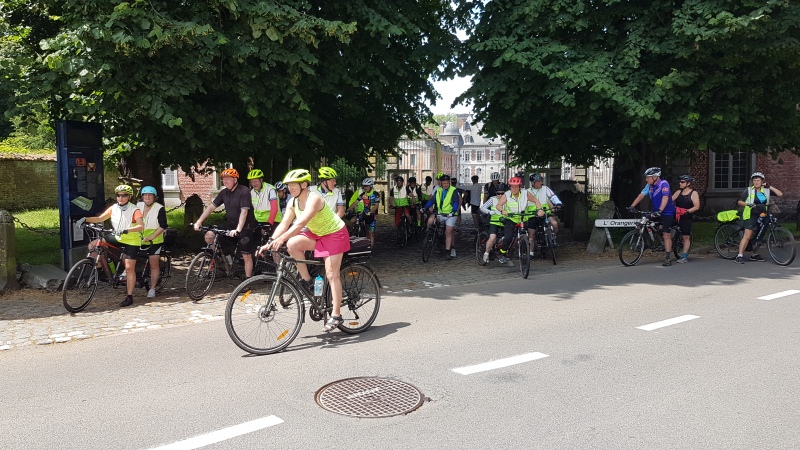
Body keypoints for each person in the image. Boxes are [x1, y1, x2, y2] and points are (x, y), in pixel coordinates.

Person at [260, 169, 350, 332]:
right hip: (317, 233)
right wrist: (271, 241)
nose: (290, 188)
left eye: (293, 185)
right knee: (292, 244)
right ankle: (308, 281)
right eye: (288, 185)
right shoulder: (292, 202)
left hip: (334, 234)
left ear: (304, 184)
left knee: (331, 274)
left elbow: (300, 224)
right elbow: (284, 223)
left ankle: (336, 315)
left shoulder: (314, 199)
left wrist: (281, 239)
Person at [76, 184, 144, 307]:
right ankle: (100, 270)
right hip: (117, 237)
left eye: (124, 195)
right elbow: (100, 218)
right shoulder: (113, 208)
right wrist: (85, 219)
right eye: (118, 195)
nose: (120, 198)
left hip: (131, 239)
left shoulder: (135, 210)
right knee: (94, 244)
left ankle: (129, 296)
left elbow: (141, 226)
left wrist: (127, 230)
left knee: (129, 268)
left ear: (129, 196)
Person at [193, 168, 257, 278]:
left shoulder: (244, 191)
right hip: (230, 225)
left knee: (246, 255)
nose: (225, 182)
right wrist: (199, 222)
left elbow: (244, 212)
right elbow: (211, 207)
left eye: (228, 179)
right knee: (209, 235)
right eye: (224, 179)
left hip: (245, 226)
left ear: (235, 180)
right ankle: (225, 257)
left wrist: (238, 230)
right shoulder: (224, 193)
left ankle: (247, 281)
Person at [629, 167, 676, 266]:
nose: (646, 179)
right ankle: (649, 241)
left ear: (655, 177)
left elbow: (665, 197)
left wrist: (660, 210)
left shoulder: (664, 184)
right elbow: (641, 195)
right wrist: (632, 206)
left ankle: (668, 258)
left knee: (666, 234)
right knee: (644, 221)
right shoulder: (649, 186)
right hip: (656, 210)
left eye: (648, 177)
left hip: (667, 211)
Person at [735, 171, 784, 264]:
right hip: (751, 214)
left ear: (762, 181)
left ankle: (754, 254)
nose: (756, 182)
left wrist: (770, 187)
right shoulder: (749, 190)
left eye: (758, 180)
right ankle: (739, 255)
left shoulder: (766, 190)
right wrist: (749, 204)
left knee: (760, 234)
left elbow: (780, 194)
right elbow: (740, 202)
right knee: (748, 235)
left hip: (763, 214)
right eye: (754, 180)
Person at [494, 176, 545, 264]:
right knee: (508, 237)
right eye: (511, 186)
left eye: (516, 187)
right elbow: (498, 205)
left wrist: (540, 209)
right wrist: (503, 210)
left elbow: (536, 200)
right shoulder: (507, 194)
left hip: (522, 219)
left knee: (526, 235)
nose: (513, 189)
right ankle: (502, 253)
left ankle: (523, 250)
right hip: (510, 219)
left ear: (520, 187)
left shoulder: (526, 193)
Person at [137, 186, 167, 299]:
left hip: (155, 239)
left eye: (150, 195)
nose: (147, 197)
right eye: (145, 195)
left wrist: (152, 236)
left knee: (153, 264)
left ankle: (152, 289)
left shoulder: (159, 208)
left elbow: (163, 225)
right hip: (139, 237)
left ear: (154, 197)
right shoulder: (138, 206)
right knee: (128, 255)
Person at [424, 174, 460, 260]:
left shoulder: (453, 190)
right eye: (444, 183)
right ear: (441, 183)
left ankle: (447, 251)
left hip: (450, 214)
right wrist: (424, 207)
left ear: (449, 183)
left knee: (448, 231)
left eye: (447, 183)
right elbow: (432, 200)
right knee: (431, 219)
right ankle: (430, 235)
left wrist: (453, 211)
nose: (446, 185)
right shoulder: (438, 190)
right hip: (441, 213)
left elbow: (456, 202)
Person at [526, 174, 563, 256]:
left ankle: (553, 238)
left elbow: (553, 196)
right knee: (531, 235)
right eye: (538, 181)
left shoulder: (545, 189)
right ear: (533, 183)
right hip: (533, 214)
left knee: (555, 223)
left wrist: (558, 203)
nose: (540, 183)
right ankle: (531, 253)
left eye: (541, 181)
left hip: (545, 212)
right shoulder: (527, 192)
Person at [671, 175, 701, 263]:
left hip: (686, 216)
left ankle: (684, 256)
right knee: (664, 227)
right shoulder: (678, 192)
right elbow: (669, 201)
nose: (680, 183)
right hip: (676, 215)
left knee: (686, 237)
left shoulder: (693, 193)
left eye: (682, 182)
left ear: (688, 183)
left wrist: (687, 211)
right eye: (680, 182)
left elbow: (696, 206)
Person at [247, 169, 280, 245]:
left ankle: (276, 256)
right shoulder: (252, 192)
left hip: (272, 221)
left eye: (255, 181)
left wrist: (269, 223)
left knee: (273, 247)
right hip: (258, 222)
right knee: (255, 245)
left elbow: (274, 208)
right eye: (251, 182)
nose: (253, 184)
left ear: (261, 180)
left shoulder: (270, 189)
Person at [479, 183, 508, 263]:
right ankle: (486, 253)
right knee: (492, 238)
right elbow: (482, 208)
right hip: (494, 222)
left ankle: (503, 253)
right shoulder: (493, 199)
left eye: (502, 193)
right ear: (496, 193)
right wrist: (490, 212)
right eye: (498, 193)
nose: (500, 195)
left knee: (508, 238)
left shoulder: (509, 200)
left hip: (505, 222)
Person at [347, 177, 380, 248]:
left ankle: (370, 248)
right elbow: (356, 202)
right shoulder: (362, 194)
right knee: (353, 220)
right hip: (363, 213)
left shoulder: (376, 194)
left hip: (371, 215)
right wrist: (348, 209)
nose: (365, 187)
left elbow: (376, 205)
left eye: (366, 186)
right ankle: (353, 234)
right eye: (364, 186)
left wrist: (371, 211)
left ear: (371, 186)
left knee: (371, 233)